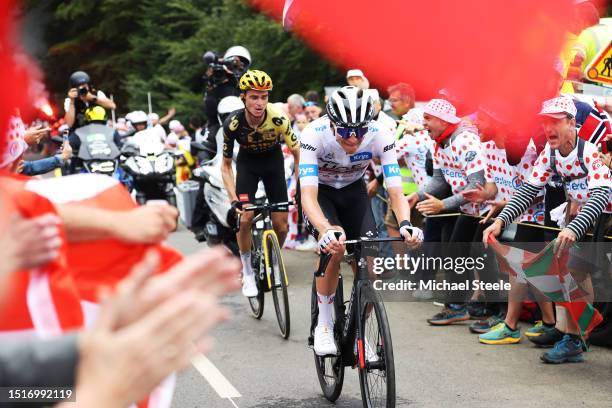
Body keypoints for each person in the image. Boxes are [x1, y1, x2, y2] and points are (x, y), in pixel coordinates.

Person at [483, 95, 611, 363]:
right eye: (544, 123)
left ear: (572, 123)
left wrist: (574, 227)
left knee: (578, 269)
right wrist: (501, 221)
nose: (548, 129)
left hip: (603, 213)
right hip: (579, 214)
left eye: (554, 122)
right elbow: (528, 190)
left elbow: (599, 197)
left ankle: (577, 335)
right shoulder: (550, 153)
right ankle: (574, 335)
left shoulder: (590, 152)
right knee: (571, 269)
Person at [299, 86, 422, 355]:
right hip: (322, 194)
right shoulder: (312, 134)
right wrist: (324, 230)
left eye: (359, 130)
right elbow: (307, 196)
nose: (353, 139)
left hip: (354, 192)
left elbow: (395, 190)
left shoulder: (381, 134)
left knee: (371, 266)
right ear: (331, 124)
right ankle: (323, 323)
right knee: (335, 247)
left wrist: (405, 224)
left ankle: (360, 332)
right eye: (344, 131)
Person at [406, 99, 490, 325]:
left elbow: (477, 184)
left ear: (443, 121)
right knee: (454, 255)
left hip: (486, 210)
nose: (424, 124)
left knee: (482, 258)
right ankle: (457, 306)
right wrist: (419, 195)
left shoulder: (465, 140)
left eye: (428, 119)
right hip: (466, 209)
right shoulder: (439, 142)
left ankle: (489, 311)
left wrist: (443, 205)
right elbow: (439, 180)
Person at [221, 70, 300, 297]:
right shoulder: (233, 124)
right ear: (243, 97)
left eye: (264, 97)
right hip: (248, 165)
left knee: (282, 225)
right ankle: (246, 271)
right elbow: (226, 166)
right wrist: (233, 199)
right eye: (254, 97)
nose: (259, 102)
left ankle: (273, 259)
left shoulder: (279, 118)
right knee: (245, 218)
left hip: (273, 163)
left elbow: (298, 153)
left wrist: (301, 186)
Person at [203, 46, 251, 137]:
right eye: (232, 63)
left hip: (246, 124)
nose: (236, 66)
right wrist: (210, 84)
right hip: (219, 123)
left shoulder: (251, 79)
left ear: (246, 65)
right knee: (207, 144)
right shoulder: (219, 78)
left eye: (240, 63)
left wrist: (233, 79)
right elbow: (209, 108)